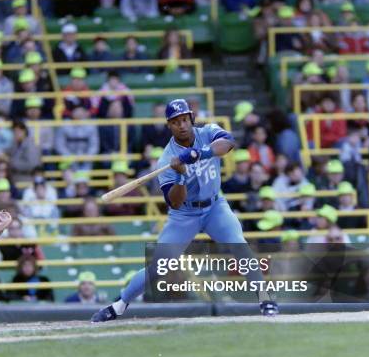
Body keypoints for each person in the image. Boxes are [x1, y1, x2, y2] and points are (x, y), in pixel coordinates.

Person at [91, 98, 279, 322]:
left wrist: (201, 153)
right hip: (185, 215)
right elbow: (175, 202)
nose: (181, 125)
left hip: (215, 207)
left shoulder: (208, 132)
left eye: (184, 119)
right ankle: (119, 305)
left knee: (240, 247)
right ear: (169, 125)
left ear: (191, 119)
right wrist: (180, 174)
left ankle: (265, 298)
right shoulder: (166, 160)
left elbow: (228, 143)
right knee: (158, 267)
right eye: (175, 121)